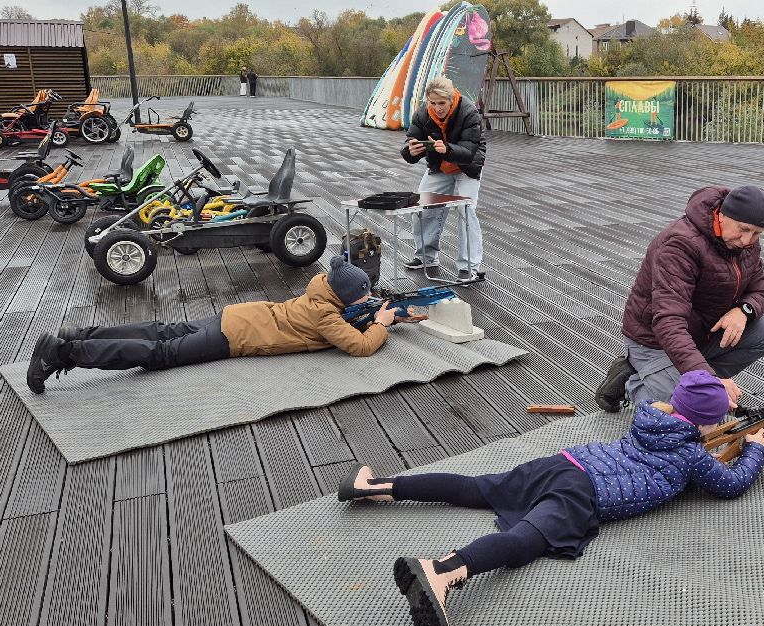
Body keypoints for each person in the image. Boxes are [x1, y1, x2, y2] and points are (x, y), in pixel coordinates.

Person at [338, 369, 764, 626]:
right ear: (706, 421)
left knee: (476, 488)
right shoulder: (691, 456)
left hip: (566, 462)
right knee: (524, 539)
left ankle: (375, 485)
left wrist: (713, 394)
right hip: (584, 494)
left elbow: (691, 395)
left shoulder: (649, 414)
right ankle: (443, 571)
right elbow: (729, 485)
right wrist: (754, 449)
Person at [25, 251, 407, 392]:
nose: (368, 301)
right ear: (344, 296)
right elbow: (358, 346)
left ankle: (82, 334)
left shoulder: (322, 292)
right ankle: (65, 352)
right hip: (235, 338)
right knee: (160, 353)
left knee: (162, 330)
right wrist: (383, 323)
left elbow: (347, 317)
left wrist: (377, 311)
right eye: (363, 296)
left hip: (238, 314)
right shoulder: (327, 314)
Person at [594, 184, 764, 413]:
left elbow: (759, 291)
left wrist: (743, 310)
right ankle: (631, 382)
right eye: (743, 229)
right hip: (654, 341)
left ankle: (691, 378)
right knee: (691, 408)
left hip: (700, 334)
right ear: (722, 214)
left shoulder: (745, 244)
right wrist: (708, 380)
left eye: (756, 233)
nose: (747, 240)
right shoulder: (680, 245)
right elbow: (668, 322)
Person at [400, 75, 487, 284]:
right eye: (433, 103)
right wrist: (411, 150)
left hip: (467, 166)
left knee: (466, 211)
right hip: (439, 166)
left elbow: (469, 151)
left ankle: (469, 267)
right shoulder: (422, 114)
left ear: (452, 99)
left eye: (442, 103)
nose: (437, 108)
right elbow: (408, 147)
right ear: (427, 101)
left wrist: (447, 149)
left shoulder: (469, 112)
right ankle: (426, 257)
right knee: (422, 206)